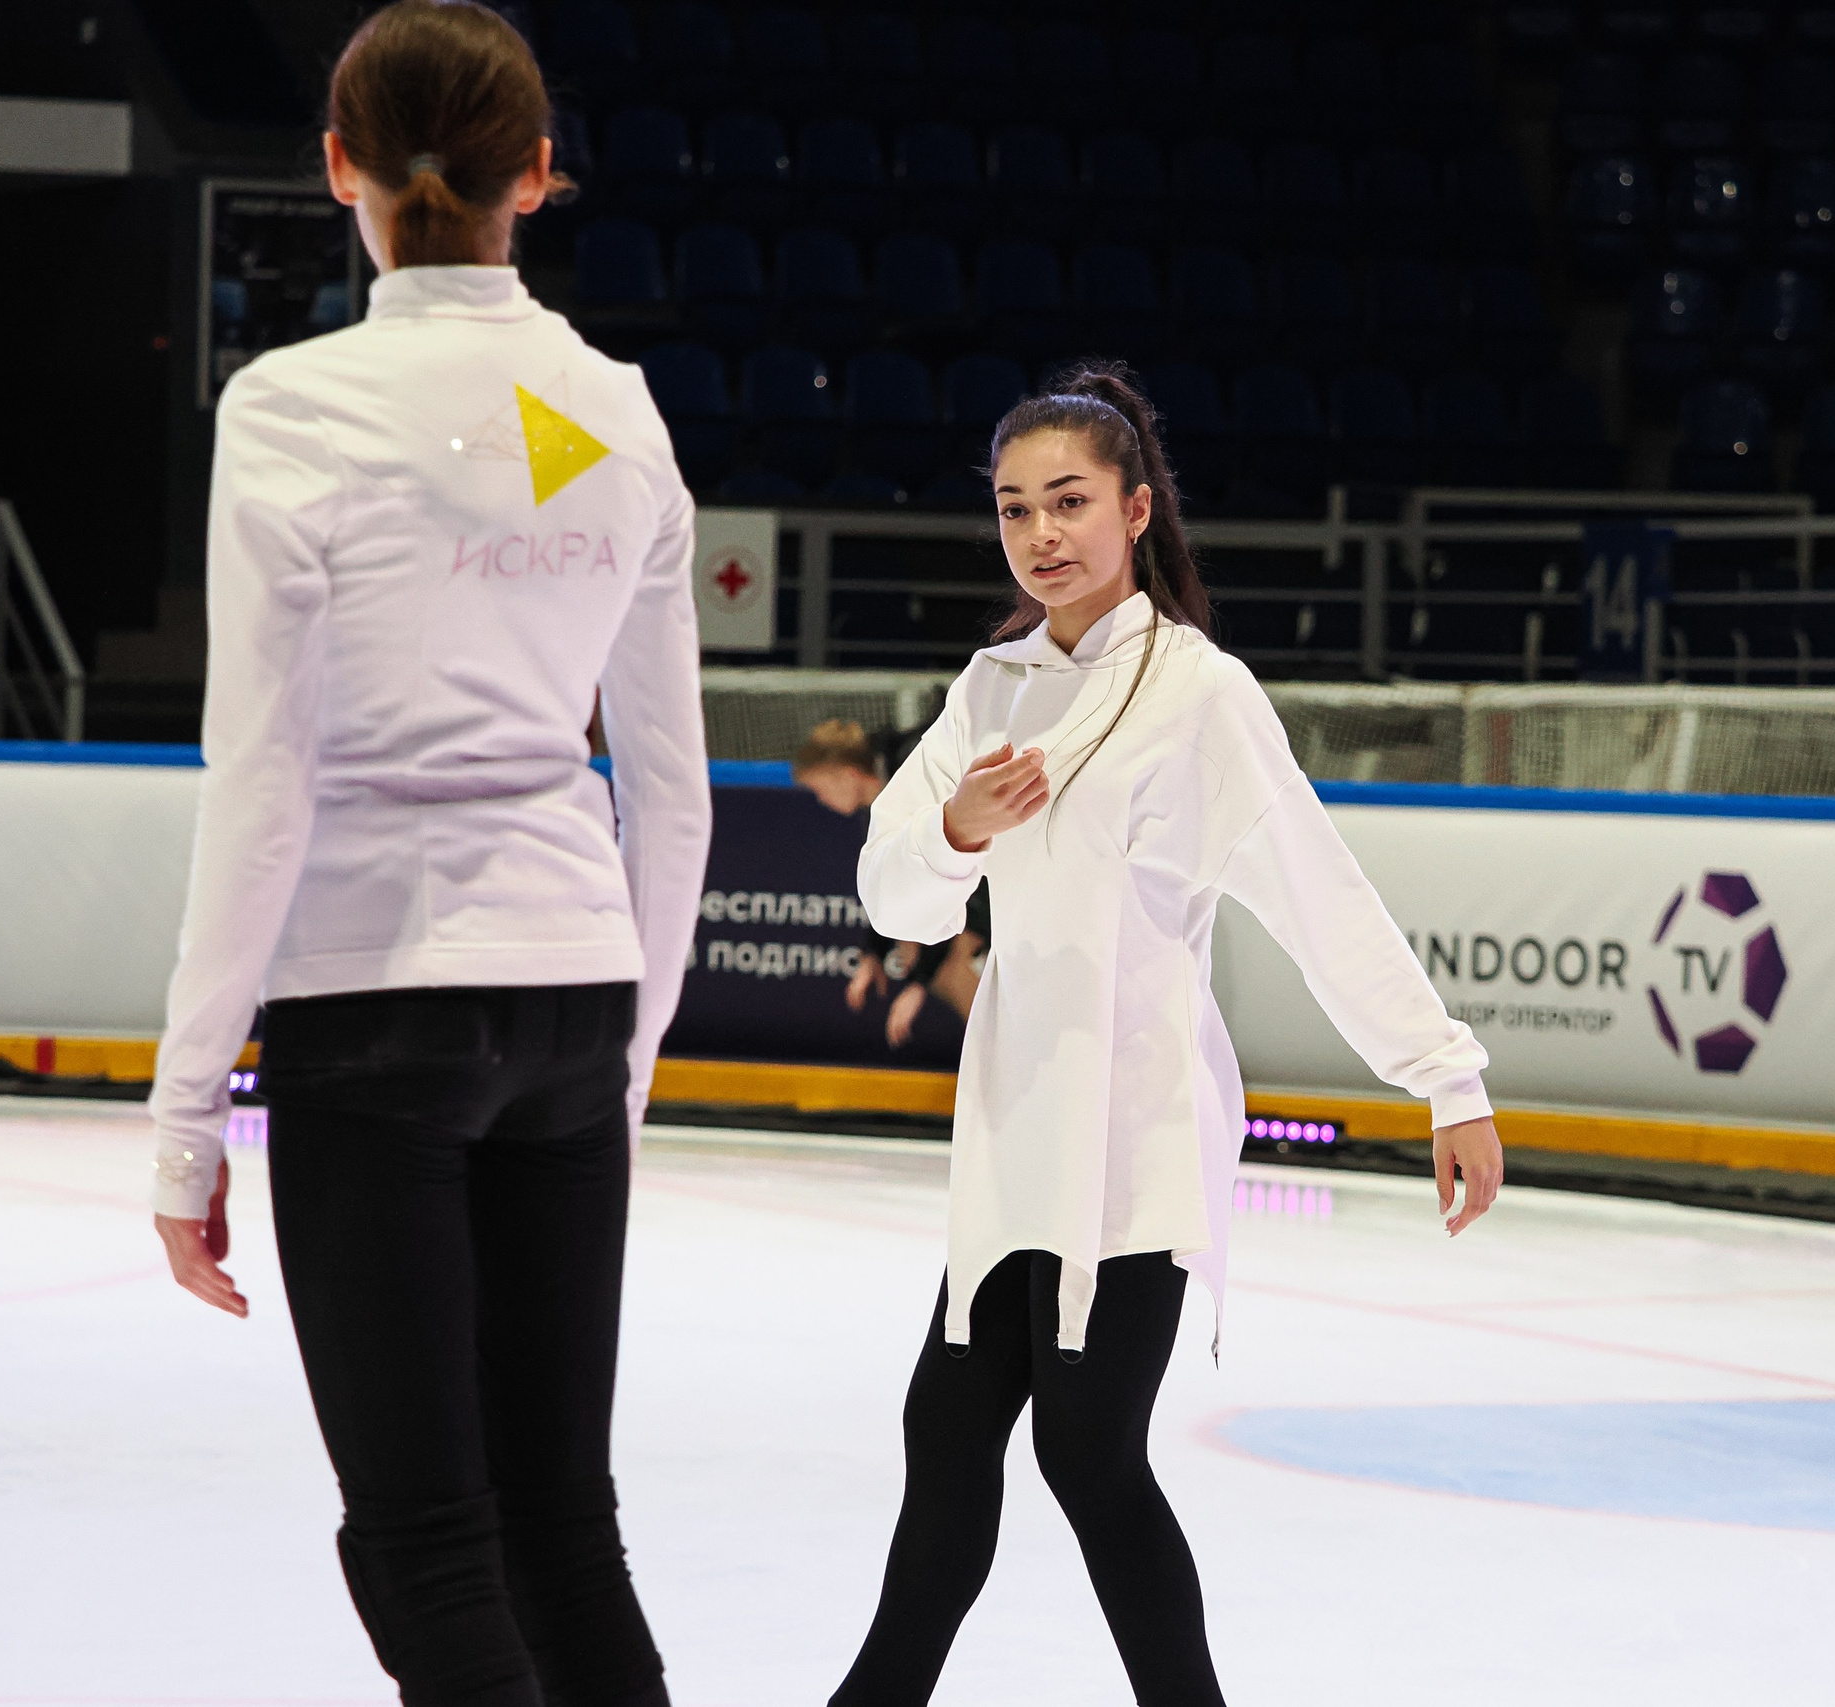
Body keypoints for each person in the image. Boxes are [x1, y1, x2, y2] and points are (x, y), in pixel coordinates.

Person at [144, 6, 708, 1704]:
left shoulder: (296, 407)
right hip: (567, 993)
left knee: (428, 1544)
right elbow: (669, 788)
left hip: (373, 1006)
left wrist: (185, 1121)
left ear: (339, 168)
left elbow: (261, 773)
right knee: (562, 1528)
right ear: (539, 175)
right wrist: (629, 1053)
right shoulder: (614, 411)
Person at [832, 362, 1503, 1707]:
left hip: (1136, 1131)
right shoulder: (993, 686)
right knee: (948, 1429)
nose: (1043, 534)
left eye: (1070, 501)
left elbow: (1320, 889)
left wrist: (1446, 1074)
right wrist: (960, 827)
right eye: (1017, 508)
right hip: (1015, 1125)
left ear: (1137, 510)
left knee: (1087, 1448)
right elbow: (890, 881)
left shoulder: (1199, 693)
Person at [793, 716, 988, 1049]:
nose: (822, 801)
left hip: (986, 883)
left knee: (947, 956)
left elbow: (943, 884)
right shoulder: (881, 805)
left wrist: (917, 986)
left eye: (820, 789)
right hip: (968, 887)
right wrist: (873, 954)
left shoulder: (910, 781)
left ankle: (997, 1065)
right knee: (915, 944)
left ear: (846, 774)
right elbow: (892, 888)